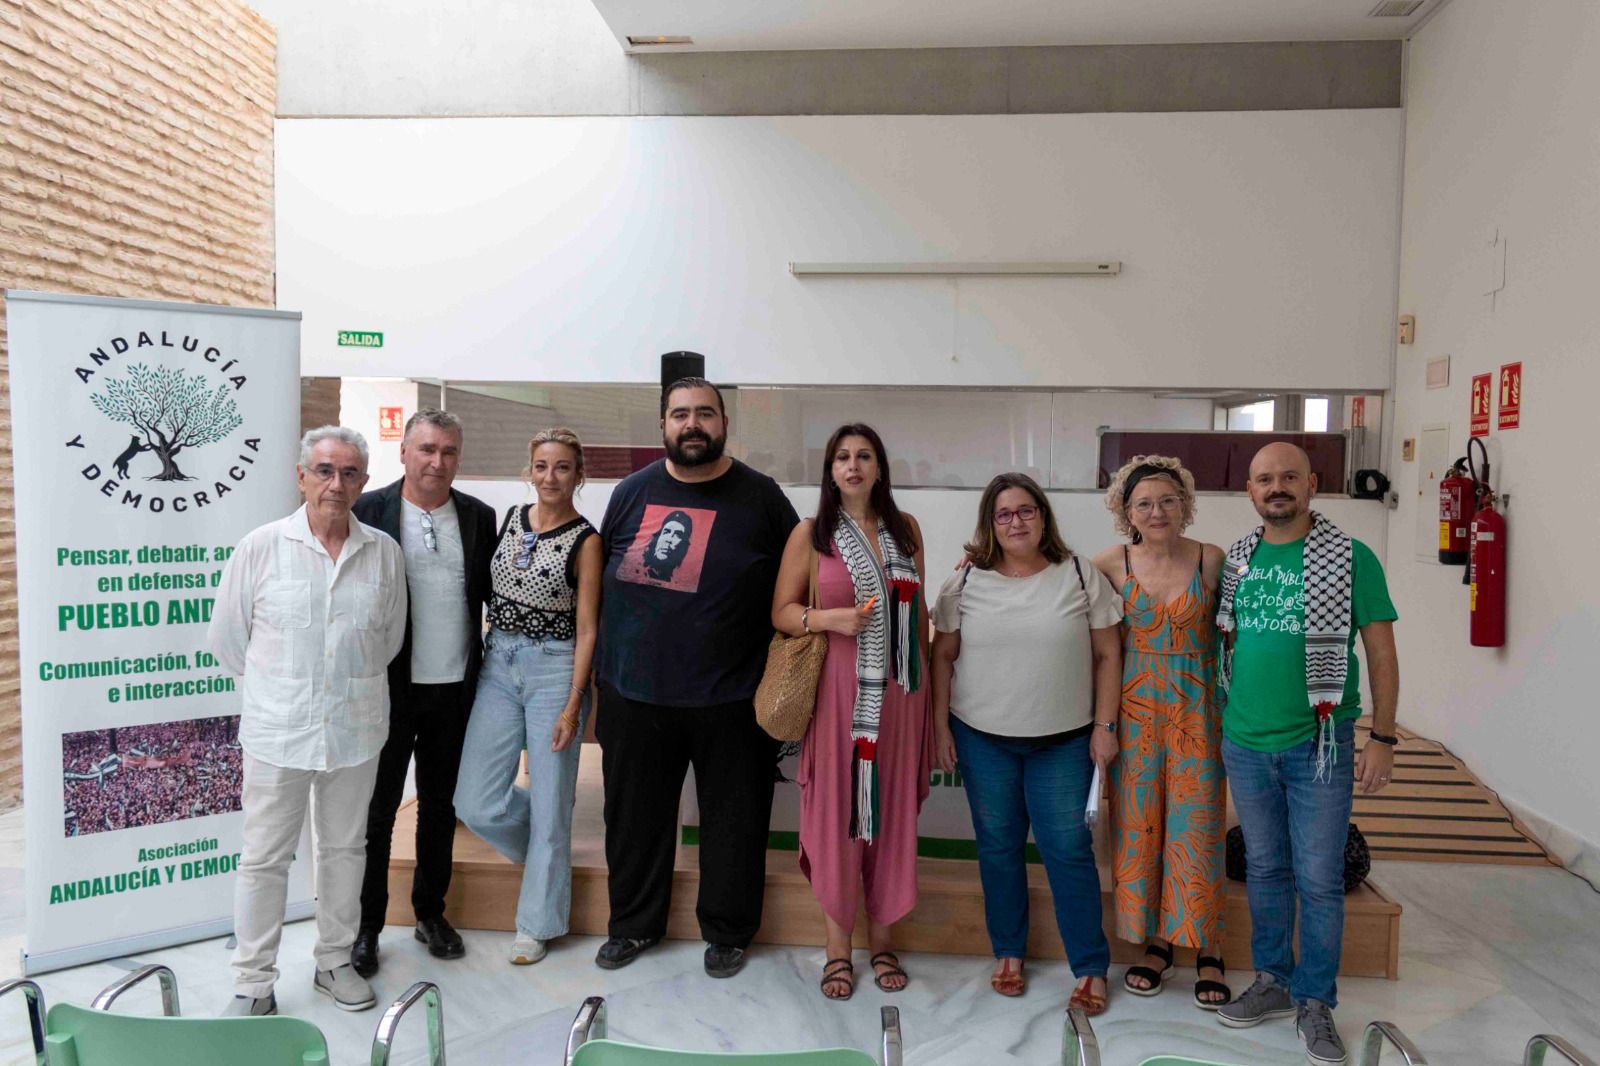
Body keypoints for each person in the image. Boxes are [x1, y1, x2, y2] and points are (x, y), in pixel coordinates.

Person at [593, 376, 799, 978]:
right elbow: (602, 582)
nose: (693, 424)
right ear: (663, 425)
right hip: (635, 692)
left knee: (735, 822)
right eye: (680, 414)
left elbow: (799, 580)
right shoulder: (632, 492)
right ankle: (633, 926)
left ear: (724, 423)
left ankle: (729, 931)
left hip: (732, 696)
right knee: (632, 821)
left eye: (704, 413)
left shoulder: (762, 498)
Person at [208, 426, 406, 1016]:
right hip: (277, 733)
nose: (335, 484)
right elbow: (227, 641)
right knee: (264, 858)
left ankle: (334, 962)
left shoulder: (383, 554)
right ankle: (253, 982)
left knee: (346, 850)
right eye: (323, 470)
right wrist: (282, 691)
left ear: (363, 484)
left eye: (348, 473)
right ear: (301, 477)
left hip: (356, 728)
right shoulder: (261, 547)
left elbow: (388, 641)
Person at [1213, 442, 1399, 1066]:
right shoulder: (1239, 557)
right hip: (1244, 740)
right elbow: (1228, 648)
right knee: (1265, 869)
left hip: (1319, 742)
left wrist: (1383, 737)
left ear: (1312, 484)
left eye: (1289, 476)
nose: (1277, 487)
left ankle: (1315, 1001)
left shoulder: (1351, 558)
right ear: (1250, 491)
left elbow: (1380, 654)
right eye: (1265, 478)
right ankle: (1273, 980)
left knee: (1319, 879)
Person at [930, 473, 1122, 1016]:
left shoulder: (1080, 575)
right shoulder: (964, 583)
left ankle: (1089, 965)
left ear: (1043, 516)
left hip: (1063, 742)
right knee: (998, 848)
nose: (1016, 522)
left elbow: (1109, 655)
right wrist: (941, 728)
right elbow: (941, 658)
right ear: (989, 524)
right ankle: (1008, 952)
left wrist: (1105, 728)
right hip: (983, 739)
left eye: (1026, 511)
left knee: (1067, 849)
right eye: (1003, 514)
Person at [770, 424, 931, 1000]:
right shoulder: (812, 534)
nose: (853, 465)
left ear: (880, 467)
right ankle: (839, 951)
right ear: (830, 470)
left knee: (889, 819)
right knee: (841, 817)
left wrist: (926, 706)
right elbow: (783, 612)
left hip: (902, 698)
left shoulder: (906, 530)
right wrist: (829, 619)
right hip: (840, 697)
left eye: (864, 456)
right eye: (842, 456)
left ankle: (883, 943)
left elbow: (920, 621)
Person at [350, 409, 496, 977]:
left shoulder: (480, 518)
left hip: (455, 689)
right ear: (404, 452)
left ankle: (430, 914)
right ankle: (367, 927)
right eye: (428, 449)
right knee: (378, 812)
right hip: (387, 689)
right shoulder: (369, 511)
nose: (438, 462)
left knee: (440, 807)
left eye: (449, 452)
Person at [453, 427, 601, 964]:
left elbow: (588, 629)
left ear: (579, 476)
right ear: (529, 470)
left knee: (552, 801)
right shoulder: (511, 520)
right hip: (500, 663)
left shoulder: (587, 540)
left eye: (563, 467)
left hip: (554, 667)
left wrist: (574, 702)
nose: (550, 477)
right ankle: (547, 846)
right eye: (541, 466)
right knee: (474, 800)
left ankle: (536, 924)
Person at [1092, 456, 1229, 1009]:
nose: (1157, 511)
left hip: (1198, 710)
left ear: (1185, 504)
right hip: (1136, 710)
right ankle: (1158, 941)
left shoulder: (1212, 559)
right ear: (1127, 511)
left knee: (1195, 827)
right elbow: (1049, 575)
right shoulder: (1110, 563)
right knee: (1142, 827)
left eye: (1168, 500)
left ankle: (1208, 945)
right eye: (1144, 503)